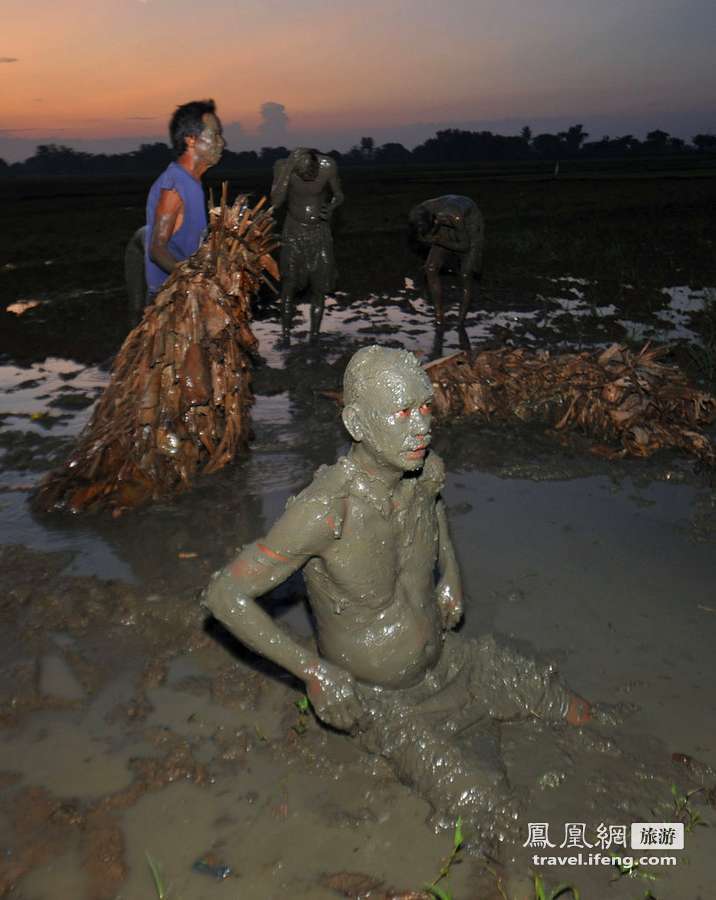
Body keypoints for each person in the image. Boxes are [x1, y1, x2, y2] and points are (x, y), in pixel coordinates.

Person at [203, 345, 592, 852]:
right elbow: (224, 593)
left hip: (453, 661)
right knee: (498, 819)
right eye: (402, 412)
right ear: (357, 423)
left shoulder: (426, 471)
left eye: (425, 407)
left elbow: (437, 513)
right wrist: (314, 672)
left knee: (577, 710)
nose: (421, 426)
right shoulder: (326, 512)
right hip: (385, 703)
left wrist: (450, 572)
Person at [144, 99, 225, 301]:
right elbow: (157, 249)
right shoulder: (175, 184)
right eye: (214, 135)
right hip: (170, 298)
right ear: (191, 140)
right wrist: (193, 279)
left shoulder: (192, 182)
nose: (221, 143)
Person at [270, 148, 343, 342]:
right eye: (302, 173)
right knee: (289, 282)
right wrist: (287, 171)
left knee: (320, 285)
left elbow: (339, 195)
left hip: (319, 231)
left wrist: (332, 207)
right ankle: (285, 335)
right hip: (293, 231)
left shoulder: (328, 166)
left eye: (312, 172)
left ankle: (315, 335)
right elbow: (276, 202)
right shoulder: (282, 167)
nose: (308, 177)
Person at [408, 195, 484, 326]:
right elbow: (422, 233)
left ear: (436, 222)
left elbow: (464, 246)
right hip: (441, 220)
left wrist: (437, 240)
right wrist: (427, 238)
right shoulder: (419, 213)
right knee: (430, 268)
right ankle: (439, 316)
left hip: (470, 224)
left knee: (466, 274)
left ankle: (460, 322)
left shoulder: (455, 217)